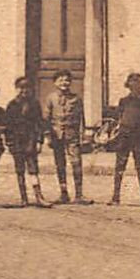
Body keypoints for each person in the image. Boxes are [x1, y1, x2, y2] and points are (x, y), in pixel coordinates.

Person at [109, 72, 140, 206]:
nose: (135, 85)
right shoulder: (124, 101)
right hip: (124, 136)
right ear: (128, 85)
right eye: (132, 82)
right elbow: (118, 118)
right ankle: (115, 196)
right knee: (120, 165)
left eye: (138, 82)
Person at [43, 71, 88, 204]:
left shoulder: (76, 99)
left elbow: (81, 118)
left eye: (67, 80)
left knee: (76, 163)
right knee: (60, 164)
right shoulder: (50, 98)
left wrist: (84, 135)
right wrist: (47, 136)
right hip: (56, 135)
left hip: (72, 135)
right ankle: (63, 193)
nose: (64, 83)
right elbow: (46, 119)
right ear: (55, 83)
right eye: (61, 80)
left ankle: (79, 194)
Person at [4, 77, 48, 207]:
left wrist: (40, 141)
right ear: (16, 89)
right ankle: (24, 197)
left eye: (27, 88)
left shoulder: (35, 104)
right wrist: (9, 142)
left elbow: (39, 124)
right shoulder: (12, 105)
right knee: (19, 169)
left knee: (33, 168)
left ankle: (38, 196)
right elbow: (8, 126)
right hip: (16, 141)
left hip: (30, 139)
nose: (24, 91)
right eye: (21, 88)